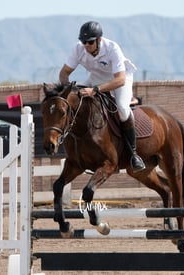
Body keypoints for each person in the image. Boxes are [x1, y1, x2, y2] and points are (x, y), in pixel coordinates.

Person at [59, 21, 146, 173]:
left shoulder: (112, 48)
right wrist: (67, 88)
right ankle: (89, 154)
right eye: (83, 41)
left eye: (90, 42)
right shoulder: (78, 49)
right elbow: (64, 73)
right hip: (95, 79)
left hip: (120, 79)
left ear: (99, 40)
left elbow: (120, 79)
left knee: (122, 109)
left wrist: (95, 90)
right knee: (77, 100)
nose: (86, 45)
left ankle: (133, 154)